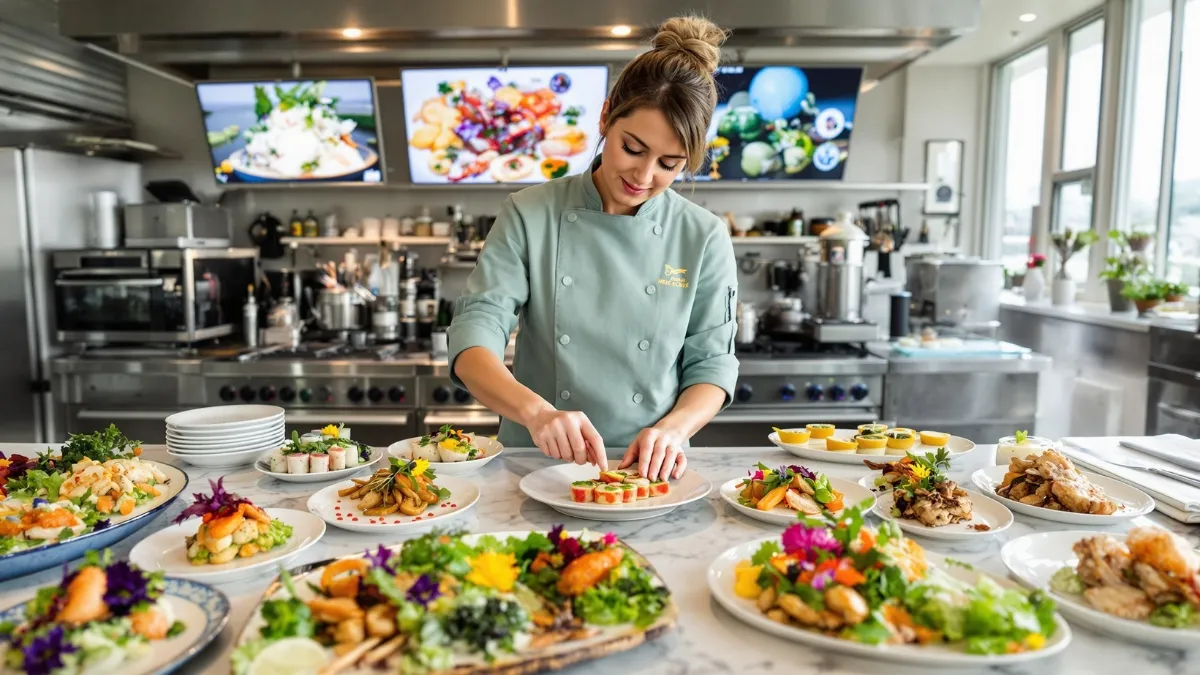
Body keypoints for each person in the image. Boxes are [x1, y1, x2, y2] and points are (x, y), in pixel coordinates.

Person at [447, 16, 739, 482]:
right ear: (606, 118)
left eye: (669, 163)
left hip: (647, 468)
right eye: (632, 148)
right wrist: (538, 413)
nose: (643, 176)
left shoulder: (702, 235)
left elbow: (713, 363)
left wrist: (674, 428)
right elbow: (474, 336)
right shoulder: (529, 212)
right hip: (536, 461)